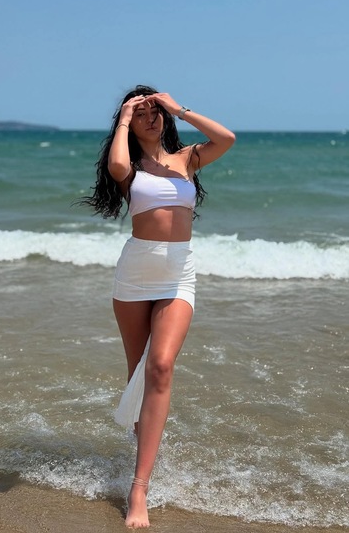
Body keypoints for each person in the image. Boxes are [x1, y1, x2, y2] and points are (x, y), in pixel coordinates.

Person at [81, 85, 235, 528]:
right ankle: (144, 451)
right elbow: (115, 165)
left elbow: (226, 138)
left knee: (161, 367)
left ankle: (139, 487)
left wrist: (178, 108)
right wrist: (125, 116)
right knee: (138, 376)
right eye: (142, 112)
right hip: (135, 274)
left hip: (178, 274)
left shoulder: (188, 158)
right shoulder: (129, 167)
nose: (151, 117)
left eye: (155, 111)